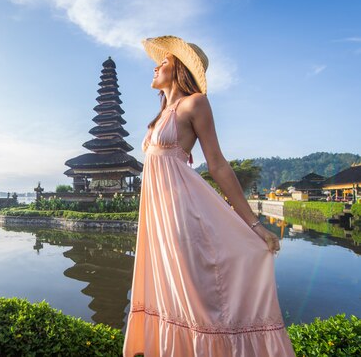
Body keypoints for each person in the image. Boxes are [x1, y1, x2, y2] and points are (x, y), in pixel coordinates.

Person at [122, 36, 295, 356]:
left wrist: (255, 225)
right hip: (158, 220)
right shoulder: (160, 116)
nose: (156, 65)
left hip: (182, 214)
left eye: (164, 60)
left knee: (196, 296)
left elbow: (217, 164)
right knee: (171, 295)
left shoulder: (195, 103)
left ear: (180, 68)